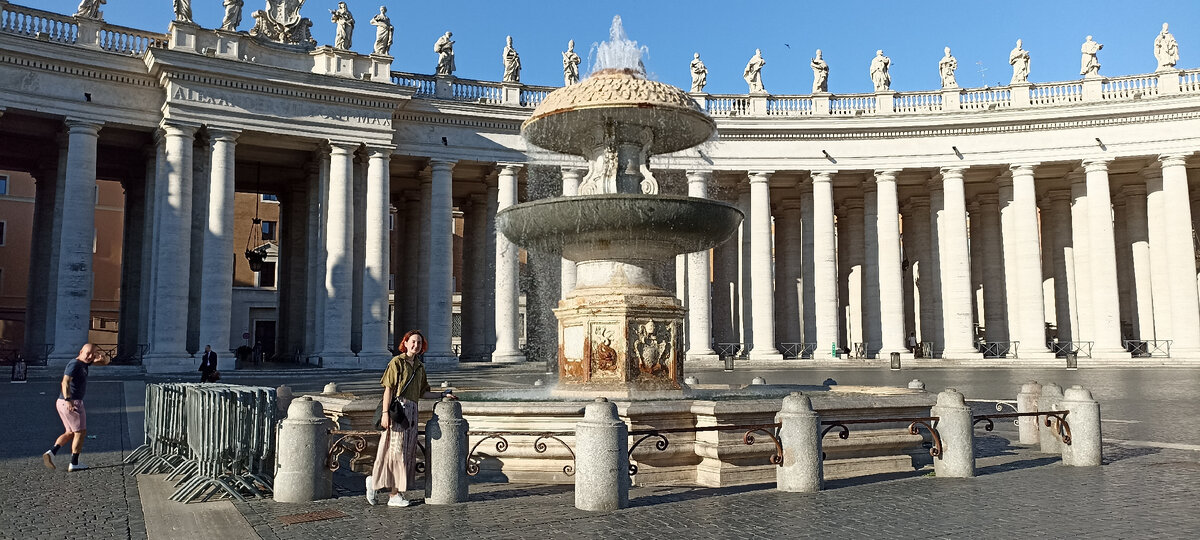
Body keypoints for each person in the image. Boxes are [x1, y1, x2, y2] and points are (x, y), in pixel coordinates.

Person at [366, 330, 455, 507]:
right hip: (397, 411)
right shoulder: (396, 362)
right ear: (405, 343)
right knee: (396, 451)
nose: (416, 345)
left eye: (419, 343)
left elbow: (423, 392)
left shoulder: (420, 367)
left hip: (412, 412)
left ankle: (374, 481)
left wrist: (442, 395)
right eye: (413, 342)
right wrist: (385, 414)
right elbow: (388, 390)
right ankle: (393, 495)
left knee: (406, 453)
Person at [43, 343, 110, 471]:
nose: (90, 356)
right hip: (72, 402)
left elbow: (104, 362)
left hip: (62, 402)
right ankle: (74, 463)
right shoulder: (75, 364)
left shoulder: (83, 363)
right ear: (80, 352)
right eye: (87, 353)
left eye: (92, 354)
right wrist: (69, 400)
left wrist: (103, 356)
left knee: (70, 432)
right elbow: (65, 381)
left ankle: (51, 453)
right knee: (80, 432)